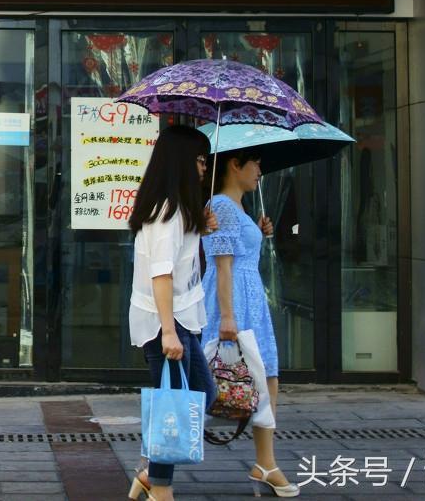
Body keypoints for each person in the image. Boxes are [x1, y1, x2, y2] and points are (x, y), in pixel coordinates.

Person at [201, 149, 298, 498]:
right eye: (255, 162)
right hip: (235, 300)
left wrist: (256, 232)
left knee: (266, 377)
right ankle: (154, 465)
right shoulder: (223, 205)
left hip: (248, 298)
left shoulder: (236, 206)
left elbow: (237, 253)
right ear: (235, 164)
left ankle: (266, 462)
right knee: (207, 383)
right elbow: (222, 263)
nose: (260, 170)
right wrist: (228, 316)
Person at [128, 125, 217, 501]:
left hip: (180, 318)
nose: (204, 168)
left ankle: (151, 474)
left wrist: (201, 228)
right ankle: (160, 488)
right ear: (180, 161)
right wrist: (168, 332)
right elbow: (161, 275)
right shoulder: (168, 212)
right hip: (169, 321)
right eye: (199, 160)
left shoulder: (177, 209)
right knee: (179, 404)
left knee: (196, 396)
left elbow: (177, 265)